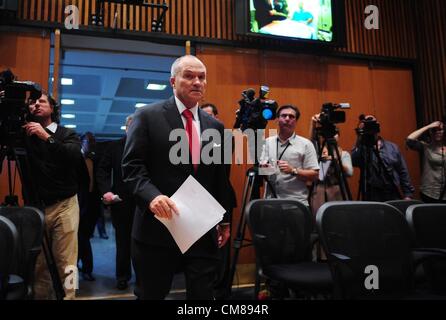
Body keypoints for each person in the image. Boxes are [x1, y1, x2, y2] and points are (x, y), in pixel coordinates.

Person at [121, 55, 232, 300]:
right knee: (152, 294)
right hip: (157, 228)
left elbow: (220, 178)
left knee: (202, 296)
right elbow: (132, 167)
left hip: (201, 229)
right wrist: (151, 197)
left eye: (201, 77)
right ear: (173, 81)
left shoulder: (216, 127)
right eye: (189, 76)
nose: (197, 82)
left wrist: (225, 219)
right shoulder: (147, 116)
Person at [24, 92, 84, 299]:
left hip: (65, 205)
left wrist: (46, 137)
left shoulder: (67, 134)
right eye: (32, 103)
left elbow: (74, 157)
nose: (36, 105)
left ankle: (70, 297)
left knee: (68, 262)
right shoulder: (24, 137)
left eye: (41, 101)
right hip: (35, 208)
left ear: (52, 108)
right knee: (39, 263)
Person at [200, 103, 237, 299]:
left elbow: (221, 168)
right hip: (197, 199)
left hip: (220, 196)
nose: (206, 119)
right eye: (202, 116)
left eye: (210, 116)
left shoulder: (225, 137)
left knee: (221, 245)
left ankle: (220, 287)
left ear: (216, 118)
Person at [96, 115, 136, 290]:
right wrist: (106, 191)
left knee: (143, 242)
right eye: (131, 126)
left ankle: (143, 276)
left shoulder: (149, 146)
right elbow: (102, 170)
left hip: (145, 203)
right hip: (121, 202)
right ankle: (122, 276)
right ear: (126, 128)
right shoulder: (114, 147)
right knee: (123, 242)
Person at [261, 104, 319, 206]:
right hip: (270, 203)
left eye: (291, 117)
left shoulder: (306, 144)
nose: (287, 119)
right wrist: (264, 168)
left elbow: (315, 175)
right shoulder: (267, 142)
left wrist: (293, 170)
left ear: (296, 121)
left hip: (295, 204)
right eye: (284, 116)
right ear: (277, 119)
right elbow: (263, 172)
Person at [351, 115, 415, 202]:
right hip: (371, 193)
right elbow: (354, 161)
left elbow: (403, 171)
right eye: (367, 124)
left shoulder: (392, 147)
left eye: (373, 123)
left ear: (378, 126)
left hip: (392, 191)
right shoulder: (362, 149)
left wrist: (408, 194)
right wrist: (360, 136)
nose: (370, 127)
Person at [309, 114, 353, 217]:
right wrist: (313, 123)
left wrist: (335, 161)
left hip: (337, 189)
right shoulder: (317, 151)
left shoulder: (343, 154)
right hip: (319, 190)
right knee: (319, 219)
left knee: (339, 220)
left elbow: (350, 172)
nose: (333, 136)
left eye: (336, 133)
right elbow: (310, 142)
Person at [77, 131, 102, 282]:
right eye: (89, 142)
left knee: (84, 237)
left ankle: (82, 267)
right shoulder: (75, 159)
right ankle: (86, 269)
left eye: (93, 142)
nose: (91, 145)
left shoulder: (95, 159)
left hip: (92, 204)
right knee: (81, 238)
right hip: (77, 204)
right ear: (82, 142)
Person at [406, 120, 446, 203]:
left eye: (440, 130)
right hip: (430, 192)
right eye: (434, 130)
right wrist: (428, 127)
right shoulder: (425, 147)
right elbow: (409, 140)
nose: (438, 132)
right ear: (430, 133)